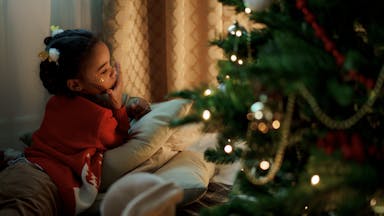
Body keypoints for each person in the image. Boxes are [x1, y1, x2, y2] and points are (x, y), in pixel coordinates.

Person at [0, 27, 151, 216]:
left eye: (110, 64)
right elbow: (119, 139)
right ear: (75, 84)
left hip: (22, 166)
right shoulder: (100, 118)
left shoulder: (56, 101)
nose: (113, 72)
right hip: (43, 183)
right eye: (104, 70)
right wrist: (118, 106)